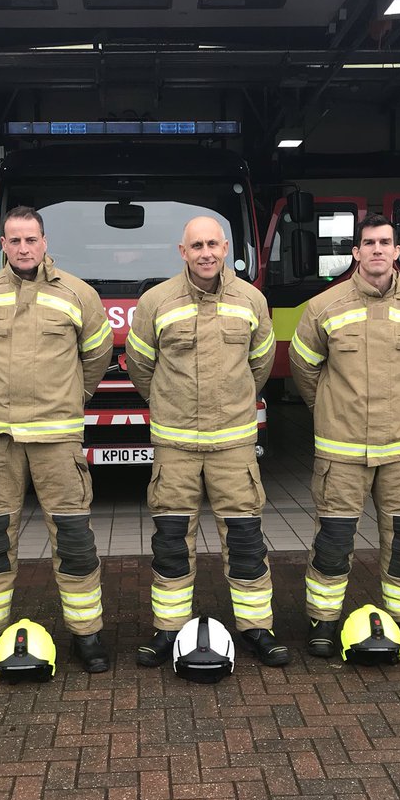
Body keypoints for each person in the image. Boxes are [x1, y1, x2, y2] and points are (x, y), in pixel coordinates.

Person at [126, 216, 288, 668]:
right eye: (196, 245)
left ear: (226, 247)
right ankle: (168, 630)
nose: (205, 253)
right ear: (182, 251)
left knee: (245, 539)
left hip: (233, 445)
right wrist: (169, 401)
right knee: (172, 540)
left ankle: (257, 628)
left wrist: (230, 406)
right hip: (175, 446)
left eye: (213, 244)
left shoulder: (251, 300)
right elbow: (140, 367)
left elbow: (260, 364)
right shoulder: (155, 301)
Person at [0, 206, 114, 675]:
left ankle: (87, 636)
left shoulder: (77, 293)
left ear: (45, 242)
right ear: (2, 245)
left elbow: (98, 353)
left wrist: (74, 395)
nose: (23, 248)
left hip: (57, 438)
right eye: (14, 240)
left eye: (31, 240)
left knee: (74, 541)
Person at [289, 214, 400, 658]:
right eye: (368, 243)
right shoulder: (323, 307)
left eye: (385, 242)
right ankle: (322, 622)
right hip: (342, 451)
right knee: (334, 540)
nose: (377, 249)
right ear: (355, 252)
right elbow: (304, 369)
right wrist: (330, 408)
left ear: (397, 251)